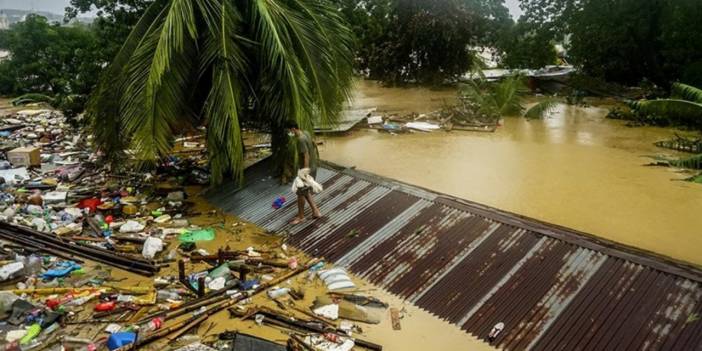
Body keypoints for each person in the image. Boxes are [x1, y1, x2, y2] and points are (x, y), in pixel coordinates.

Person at [287, 122, 322, 224]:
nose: (289, 133)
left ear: (293, 128)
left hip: (306, 170)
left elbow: (306, 156)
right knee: (305, 192)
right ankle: (316, 211)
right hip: (313, 167)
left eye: (289, 131)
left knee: (300, 193)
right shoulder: (306, 133)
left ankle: (301, 217)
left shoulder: (300, 140)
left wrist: (304, 173)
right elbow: (313, 143)